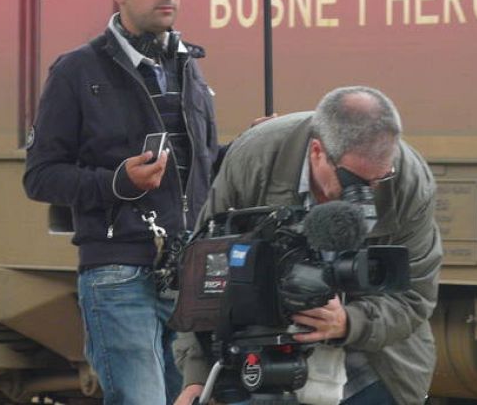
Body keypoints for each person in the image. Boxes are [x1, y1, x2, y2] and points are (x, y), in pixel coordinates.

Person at [24, 0, 227, 405]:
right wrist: (119, 182)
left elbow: (202, 165)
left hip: (188, 274)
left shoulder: (187, 67)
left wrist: (253, 145)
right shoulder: (75, 71)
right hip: (117, 275)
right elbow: (40, 176)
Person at [174, 86, 443, 405]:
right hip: (260, 346)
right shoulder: (257, 158)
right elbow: (204, 271)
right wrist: (198, 375)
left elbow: (415, 296)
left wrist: (348, 322)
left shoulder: (409, 183)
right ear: (317, 152)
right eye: (355, 182)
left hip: (372, 362)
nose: (367, 197)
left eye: (379, 181)